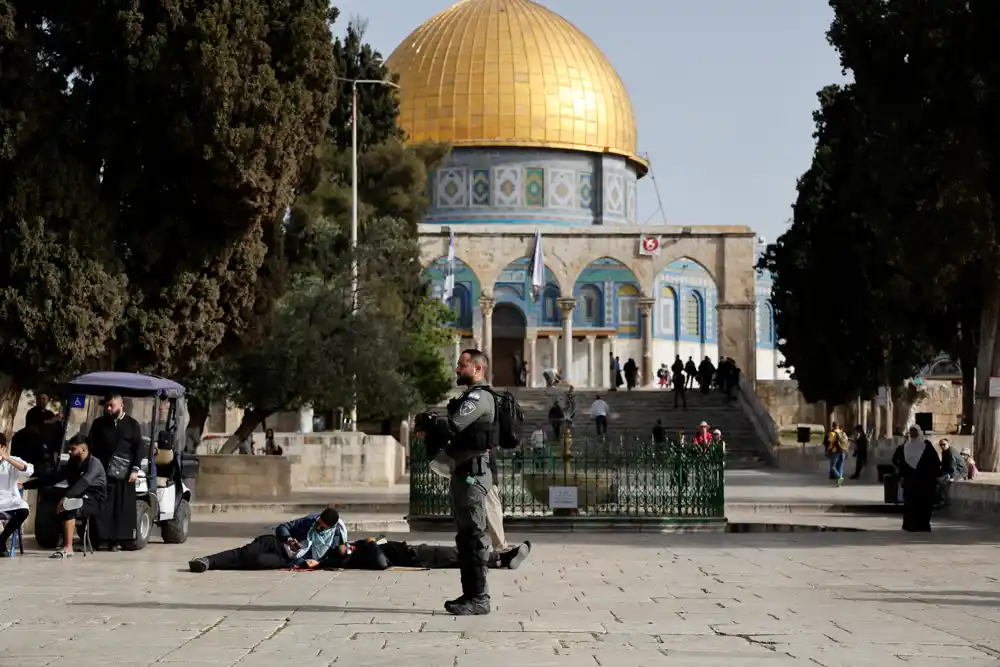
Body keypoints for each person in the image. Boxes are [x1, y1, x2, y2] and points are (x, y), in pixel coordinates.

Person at [426, 349, 496, 616]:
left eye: (462, 365)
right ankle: (470, 595)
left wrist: (433, 424)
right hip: (463, 472)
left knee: (474, 537)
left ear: (477, 369)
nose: (457, 369)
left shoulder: (479, 397)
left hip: (473, 476)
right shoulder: (469, 396)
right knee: (466, 538)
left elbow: (454, 426)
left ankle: (479, 598)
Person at [23, 436, 107, 558]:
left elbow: (84, 482)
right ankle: (50, 536)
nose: (69, 452)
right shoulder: (73, 463)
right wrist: (26, 485)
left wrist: (67, 497)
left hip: (94, 499)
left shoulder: (94, 463)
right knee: (49, 493)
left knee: (69, 506)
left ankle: (68, 548)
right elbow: (55, 477)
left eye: (73, 449)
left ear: (83, 449)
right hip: (76, 495)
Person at [189, 509, 348, 572]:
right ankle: (207, 561)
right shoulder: (309, 521)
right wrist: (289, 539)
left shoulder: (335, 537)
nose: (318, 527)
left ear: (330, 528)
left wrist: (318, 563)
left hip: (288, 559)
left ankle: (216, 564)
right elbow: (283, 527)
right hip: (279, 544)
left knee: (257, 561)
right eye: (318, 523)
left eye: (322, 527)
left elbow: (336, 557)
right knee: (247, 551)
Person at [87, 394, 143, 551]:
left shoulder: (132, 425)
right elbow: (92, 445)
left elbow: (139, 448)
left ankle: (118, 540)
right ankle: (100, 538)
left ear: (122, 404)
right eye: (107, 406)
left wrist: (135, 469)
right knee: (103, 505)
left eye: (112, 405)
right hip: (103, 472)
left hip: (124, 474)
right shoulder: (99, 424)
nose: (109, 409)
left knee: (121, 506)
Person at [345, 537, 532, 571]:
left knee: (457, 557)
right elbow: (381, 563)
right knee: (457, 554)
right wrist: (371, 544)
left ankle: (499, 560)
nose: (346, 546)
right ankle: (501, 558)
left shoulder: (356, 548)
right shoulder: (353, 558)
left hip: (415, 550)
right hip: (415, 556)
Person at [892, 425, 942, 532]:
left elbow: (895, 460)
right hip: (924, 481)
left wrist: (902, 473)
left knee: (914, 503)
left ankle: (913, 525)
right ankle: (920, 525)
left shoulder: (905, 447)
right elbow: (936, 463)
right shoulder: (925, 447)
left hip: (912, 481)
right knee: (919, 503)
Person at [0, 433, 34, 555]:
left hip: (9, 499)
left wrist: (7, 458)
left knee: (23, 509)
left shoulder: (12, 461)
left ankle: (2, 540)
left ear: (3, 447)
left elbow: (29, 470)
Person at [826, 421, 848, 487]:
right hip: (843, 451)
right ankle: (839, 484)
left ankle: (839, 477)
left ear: (833, 426)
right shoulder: (843, 433)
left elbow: (831, 443)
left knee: (833, 467)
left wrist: (828, 450)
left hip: (835, 451)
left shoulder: (832, 433)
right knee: (840, 467)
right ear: (838, 426)